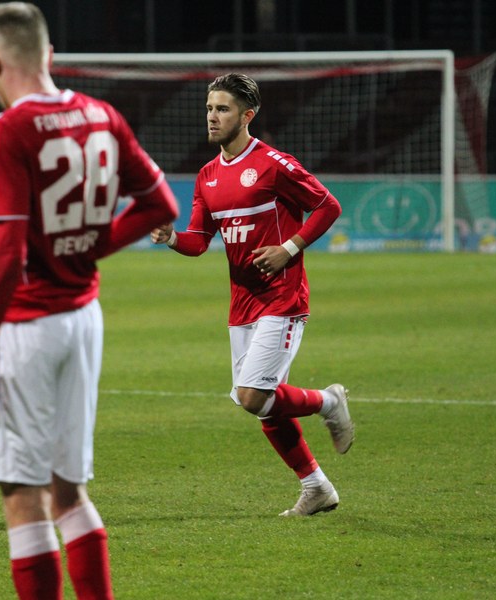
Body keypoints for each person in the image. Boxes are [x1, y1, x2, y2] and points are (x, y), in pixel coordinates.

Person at [0, 3, 178, 599]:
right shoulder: (102, 115)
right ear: (50, 55)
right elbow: (161, 205)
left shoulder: (6, 130)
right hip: (83, 317)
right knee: (68, 491)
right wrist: (90, 246)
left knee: (21, 496)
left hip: (28, 328)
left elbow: (5, 253)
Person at [151, 73, 354, 517]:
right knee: (262, 405)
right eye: (209, 108)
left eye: (222, 109)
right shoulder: (207, 176)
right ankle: (316, 487)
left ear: (247, 116)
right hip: (242, 302)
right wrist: (171, 237)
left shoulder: (274, 164)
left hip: (282, 296)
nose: (212, 117)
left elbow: (328, 206)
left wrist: (288, 248)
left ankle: (328, 401)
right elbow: (199, 241)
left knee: (251, 396)